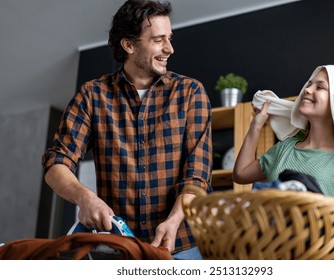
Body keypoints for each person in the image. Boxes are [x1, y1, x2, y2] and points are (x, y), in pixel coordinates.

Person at [41, 0, 213, 260]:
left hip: (181, 246)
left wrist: (174, 220)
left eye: (169, 38)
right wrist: (84, 197)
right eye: (158, 40)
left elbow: (197, 175)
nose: (169, 48)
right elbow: (56, 162)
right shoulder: (93, 95)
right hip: (118, 250)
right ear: (129, 45)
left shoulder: (190, 93)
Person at [233, 65, 334, 258]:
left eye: (320, 87)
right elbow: (241, 174)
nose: (307, 89)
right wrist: (255, 126)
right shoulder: (286, 148)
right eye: (309, 84)